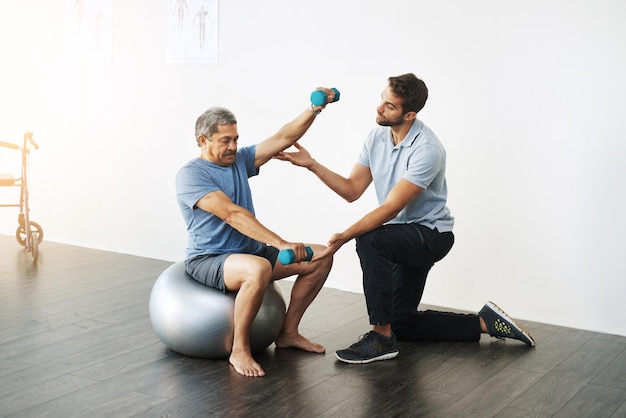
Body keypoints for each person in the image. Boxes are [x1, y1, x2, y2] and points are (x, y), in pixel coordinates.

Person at [276, 73, 535, 364]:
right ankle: (485, 323)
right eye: (381, 100)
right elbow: (351, 190)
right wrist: (312, 164)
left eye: (389, 106)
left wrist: (344, 236)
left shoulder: (428, 149)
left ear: (409, 114)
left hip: (431, 235)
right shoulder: (376, 138)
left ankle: (381, 338)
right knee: (403, 322)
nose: (379, 108)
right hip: (401, 235)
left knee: (371, 240)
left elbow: (390, 209)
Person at [175, 90, 337, 376]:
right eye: (225, 140)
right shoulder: (192, 175)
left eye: (235, 139)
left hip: (250, 251)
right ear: (203, 140)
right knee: (258, 268)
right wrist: (280, 242)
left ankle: (288, 333)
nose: (233, 146)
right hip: (211, 259)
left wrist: (314, 109)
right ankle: (239, 350)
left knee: (322, 256)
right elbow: (232, 213)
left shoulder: (239, 160)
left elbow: (283, 137)